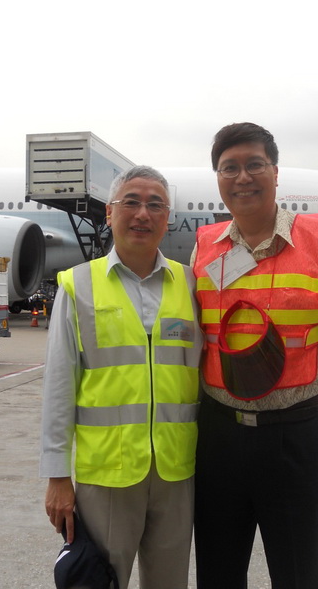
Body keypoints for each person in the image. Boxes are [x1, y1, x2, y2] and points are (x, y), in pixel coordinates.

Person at [191, 122, 318, 589]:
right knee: (218, 571)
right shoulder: (205, 248)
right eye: (230, 168)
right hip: (218, 437)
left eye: (254, 165)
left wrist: (297, 393)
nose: (242, 176)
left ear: (275, 172)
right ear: (219, 179)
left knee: (300, 572)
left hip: (294, 437)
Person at [40, 165, 203, 589]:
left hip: (176, 472)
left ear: (167, 219)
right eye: (131, 202)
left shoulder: (190, 285)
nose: (142, 214)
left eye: (155, 205)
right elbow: (60, 385)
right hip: (107, 474)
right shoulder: (79, 285)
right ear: (110, 214)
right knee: (100, 580)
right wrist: (58, 476)